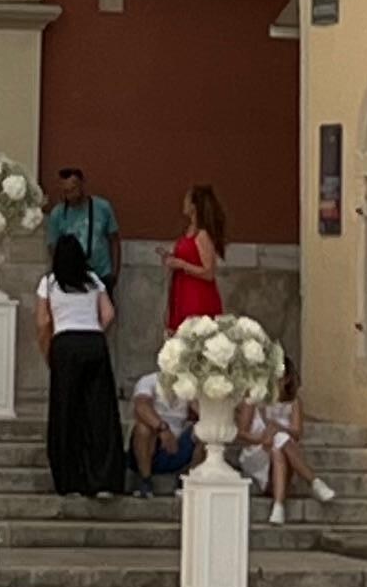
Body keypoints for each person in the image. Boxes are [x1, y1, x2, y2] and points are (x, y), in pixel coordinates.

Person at [35, 230, 125, 502]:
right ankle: (103, 480)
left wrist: (48, 350)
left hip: (65, 343)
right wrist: (95, 330)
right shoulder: (94, 280)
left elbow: (42, 321)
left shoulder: (49, 283)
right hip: (94, 342)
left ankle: (70, 479)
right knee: (99, 412)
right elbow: (109, 313)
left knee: (66, 411)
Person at [241, 362, 335, 525]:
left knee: (279, 445)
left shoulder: (294, 402)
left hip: (280, 450)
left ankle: (278, 506)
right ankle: (313, 481)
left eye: (280, 378)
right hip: (256, 451)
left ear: (287, 379)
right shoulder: (254, 398)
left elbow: (297, 433)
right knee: (280, 441)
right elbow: (241, 433)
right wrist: (261, 439)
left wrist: (278, 427)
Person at [47, 163, 119, 305]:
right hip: (72, 278)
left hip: (101, 272)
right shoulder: (58, 213)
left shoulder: (102, 207)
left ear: (82, 184)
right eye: (66, 191)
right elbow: (53, 247)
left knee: (105, 315)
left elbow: (114, 240)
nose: (70, 195)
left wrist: (114, 272)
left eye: (73, 189)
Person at [164, 183, 228, 333]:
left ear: (194, 206)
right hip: (181, 291)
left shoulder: (203, 235)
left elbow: (209, 272)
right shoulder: (189, 231)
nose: (183, 203)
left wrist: (183, 265)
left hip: (197, 295)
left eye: (187, 199)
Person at [129, 365, 198, 497]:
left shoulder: (188, 385)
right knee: (143, 429)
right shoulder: (149, 381)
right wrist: (162, 429)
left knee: (204, 431)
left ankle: (187, 481)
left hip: (178, 444)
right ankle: (145, 481)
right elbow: (141, 406)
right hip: (154, 441)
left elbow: (201, 413)